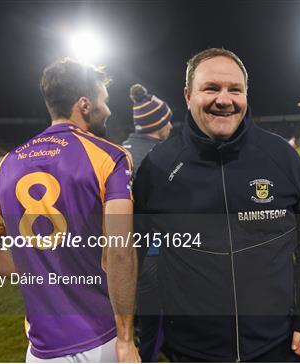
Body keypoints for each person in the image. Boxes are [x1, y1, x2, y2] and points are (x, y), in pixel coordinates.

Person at [133, 48, 300, 362]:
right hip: (191, 352)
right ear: (188, 96)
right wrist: (129, 329)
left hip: (277, 347)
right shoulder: (158, 167)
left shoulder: (279, 156)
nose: (224, 99)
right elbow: (131, 252)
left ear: (246, 95)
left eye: (234, 90)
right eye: (210, 88)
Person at [0, 58, 140, 363]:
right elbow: (119, 251)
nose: (109, 110)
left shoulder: (4, 166)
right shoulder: (111, 157)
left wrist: (44, 275)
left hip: (39, 350)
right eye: (105, 100)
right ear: (85, 104)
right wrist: (126, 339)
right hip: (99, 340)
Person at [122, 83, 173, 362]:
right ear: (158, 122)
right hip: (153, 254)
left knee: (133, 323)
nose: (171, 125)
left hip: (118, 255)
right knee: (152, 332)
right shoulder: (164, 156)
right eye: (167, 119)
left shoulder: (116, 151)